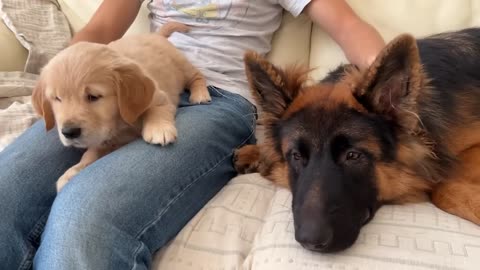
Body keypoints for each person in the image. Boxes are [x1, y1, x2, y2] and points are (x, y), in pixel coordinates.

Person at [0, 0, 385, 269]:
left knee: (83, 218)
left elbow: (348, 27)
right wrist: (62, 87)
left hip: (216, 101)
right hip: (124, 92)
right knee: (5, 194)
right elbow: (100, 30)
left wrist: (392, 95)